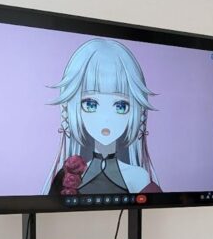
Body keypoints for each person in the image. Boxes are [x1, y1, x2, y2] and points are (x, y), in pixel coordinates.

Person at [42, 38, 162, 196]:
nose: (106, 118)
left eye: (121, 106)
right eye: (90, 104)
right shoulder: (65, 178)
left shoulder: (139, 178)